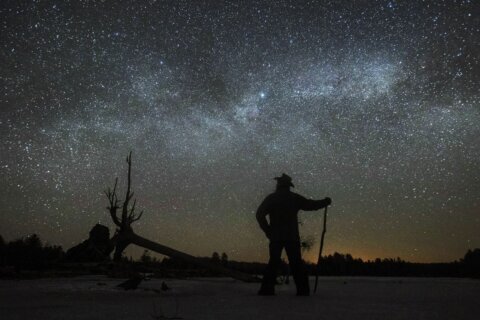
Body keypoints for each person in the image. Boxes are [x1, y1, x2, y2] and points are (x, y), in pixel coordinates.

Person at [256, 173, 331, 296]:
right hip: (292, 237)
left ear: (279, 185)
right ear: (288, 186)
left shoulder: (271, 198)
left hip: (276, 238)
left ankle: (267, 290)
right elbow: (310, 205)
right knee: (296, 264)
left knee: (273, 263)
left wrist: (268, 231)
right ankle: (303, 291)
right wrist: (324, 202)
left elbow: (259, 214)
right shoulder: (294, 198)